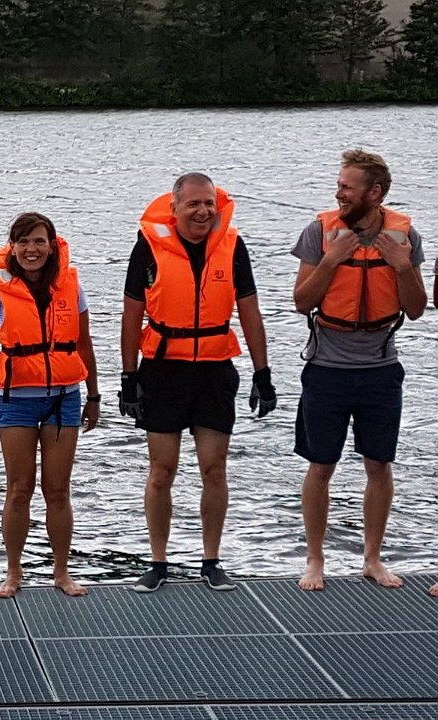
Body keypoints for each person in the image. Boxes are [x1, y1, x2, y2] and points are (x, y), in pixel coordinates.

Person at [120, 173, 275, 593]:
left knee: (214, 468)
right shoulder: (148, 246)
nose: (203, 211)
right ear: (175, 209)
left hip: (214, 369)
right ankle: (158, 562)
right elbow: (132, 313)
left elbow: (250, 310)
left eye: (209, 203)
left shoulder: (232, 246)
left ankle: (211, 561)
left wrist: (262, 373)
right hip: (163, 369)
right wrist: (128, 376)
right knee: (162, 470)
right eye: (194, 204)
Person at [0, 212, 100, 598]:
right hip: (17, 401)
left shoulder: (71, 286)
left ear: (52, 246)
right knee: (18, 488)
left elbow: (83, 343)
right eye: (23, 242)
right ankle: (13, 572)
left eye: (39, 241)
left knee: (57, 490)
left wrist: (94, 395)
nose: (31, 249)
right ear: (12, 247)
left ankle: (61, 572)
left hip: (63, 398)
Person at [292, 149, 426, 592]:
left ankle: (372, 558)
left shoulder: (405, 237)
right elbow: (302, 302)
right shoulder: (319, 232)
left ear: (375, 192)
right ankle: (315, 559)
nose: (340, 193)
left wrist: (402, 267)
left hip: (380, 369)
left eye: (347, 187)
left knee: (379, 464)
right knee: (320, 465)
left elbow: (416, 308)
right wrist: (332, 260)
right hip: (326, 368)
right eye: (339, 186)